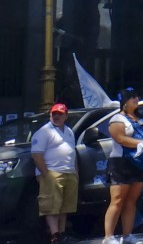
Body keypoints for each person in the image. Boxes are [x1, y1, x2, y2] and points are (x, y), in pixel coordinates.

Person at [105, 88, 143, 244]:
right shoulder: (117, 119)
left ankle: (127, 235)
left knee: (131, 200)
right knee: (117, 200)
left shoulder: (142, 120)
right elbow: (120, 139)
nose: (136, 99)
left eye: (137, 96)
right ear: (124, 102)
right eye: (132, 97)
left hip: (139, 163)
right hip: (121, 163)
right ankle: (108, 237)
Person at [31, 102, 77, 244]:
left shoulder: (69, 131)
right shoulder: (44, 131)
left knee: (64, 206)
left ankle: (62, 234)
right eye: (54, 113)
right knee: (52, 206)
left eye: (60, 114)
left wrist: (76, 173)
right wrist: (46, 174)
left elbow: (73, 152)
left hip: (69, 172)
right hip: (52, 172)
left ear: (66, 116)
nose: (57, 116)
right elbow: (36, 154)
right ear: (50, 115)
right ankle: (54, 235)